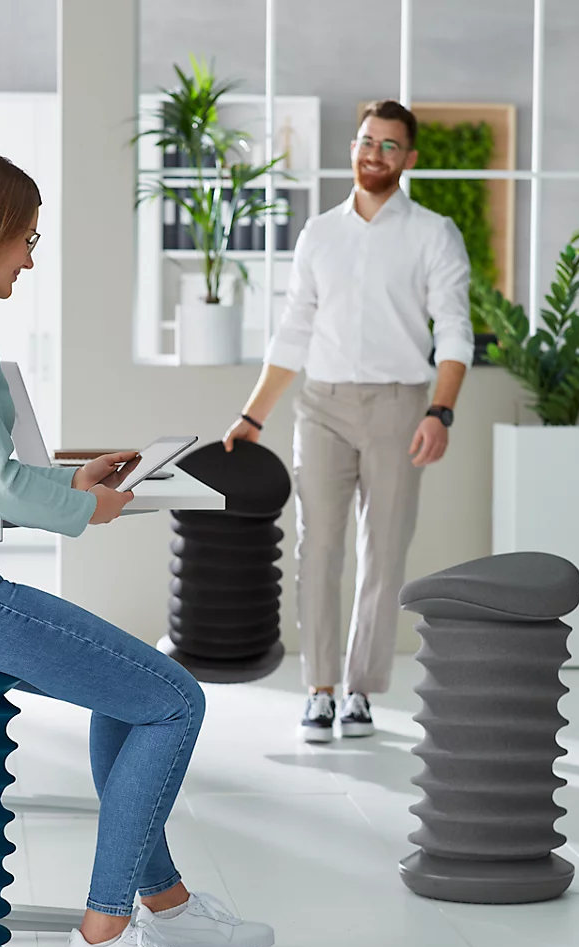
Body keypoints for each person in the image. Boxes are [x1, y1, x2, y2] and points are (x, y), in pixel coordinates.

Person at [0, 152, 273, 947]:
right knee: (176, 700)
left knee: (133, 692)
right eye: (27, 238)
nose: (30, 260)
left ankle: (170, 903)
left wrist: (70, 483)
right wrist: (92, 510)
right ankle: (105, 941)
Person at [223, 100, 474, 743]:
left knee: (383, 553)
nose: (375, 154)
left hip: (400, 404)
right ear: (353, 147)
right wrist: (254, 415)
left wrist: (439, 411)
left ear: (409, 159)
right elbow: (294, 330)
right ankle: (320, 689)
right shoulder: (319, 234)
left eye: (390, 146)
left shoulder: (433, 234)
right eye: (368, 141)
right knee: (318, 549)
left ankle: (360, 691)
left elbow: (454, 332)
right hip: (323, 405)